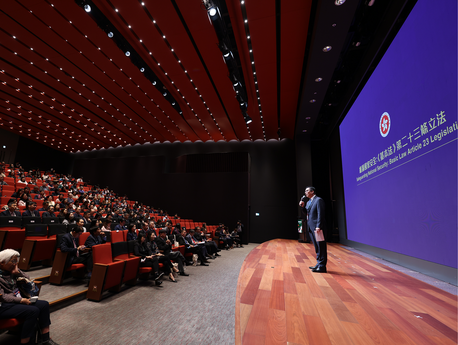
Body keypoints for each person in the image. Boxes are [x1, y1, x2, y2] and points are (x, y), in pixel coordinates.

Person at [0, 249, 59, 345]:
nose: (15, 264)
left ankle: (45, 339)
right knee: (33, 311)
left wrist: (17, 271)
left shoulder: (11, 271)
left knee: (44, 305)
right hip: (3, 306)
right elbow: (3, 297)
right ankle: (25, 342)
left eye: (16, 261)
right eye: (13, 261)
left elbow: (27, 278)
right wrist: (22, 300)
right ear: (2, 263)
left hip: (15, 302)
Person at [300, 186, 327, 273]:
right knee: (316, 246)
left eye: (307, 190)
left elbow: (320, 214)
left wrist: (318, 226)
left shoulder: (318, 200)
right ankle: (319, 264)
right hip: (311, 227)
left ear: (312, 192)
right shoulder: (308, 202)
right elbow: (307, 213)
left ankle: (322, 266)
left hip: (317, 228)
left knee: (321, 246)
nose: (305, 192)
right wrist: (302, 207)